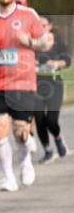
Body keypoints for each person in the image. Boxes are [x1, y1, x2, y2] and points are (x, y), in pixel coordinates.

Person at [0, 0, 52, 191]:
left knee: (20, 131)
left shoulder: (28, 15)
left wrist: (30, 42)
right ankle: (7, 176)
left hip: (22, 81)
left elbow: (45, 43)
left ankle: (25, 163)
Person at [35, 14, 70, 163]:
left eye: (44, 25)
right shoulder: (32, 43)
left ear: (50, 26)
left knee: (51, 120)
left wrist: (56, 63)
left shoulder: (57, 42)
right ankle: (47, 150)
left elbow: (67, 61)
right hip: (35, 85)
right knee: (39, 119)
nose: (40, 28)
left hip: (54, 84)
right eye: (38, 25)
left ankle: (58, 137)